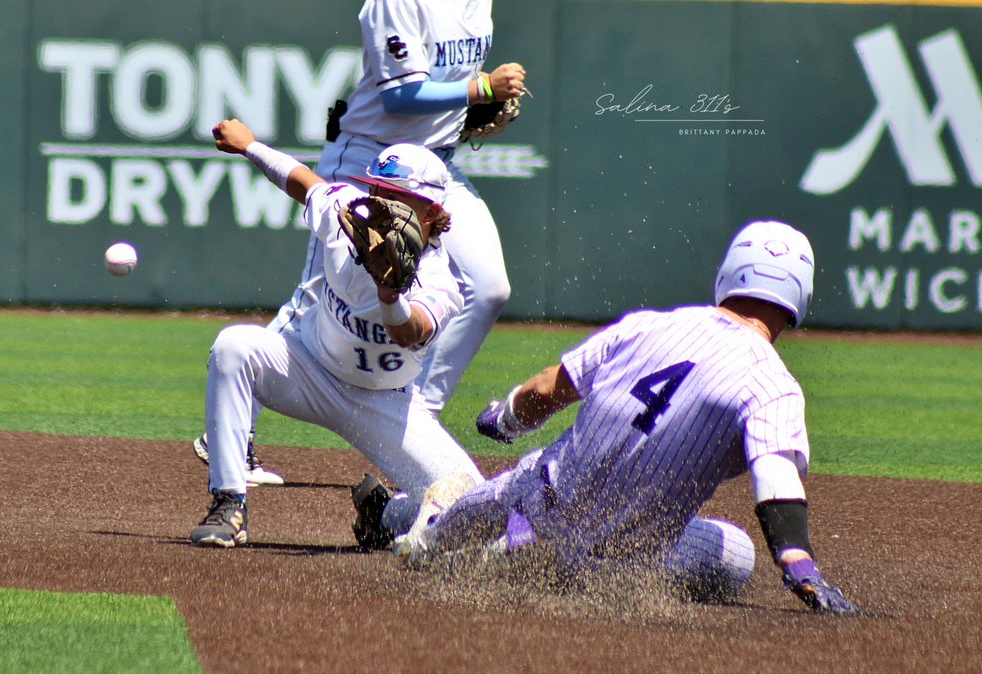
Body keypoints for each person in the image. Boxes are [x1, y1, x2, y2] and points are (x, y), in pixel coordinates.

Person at [395, 220, 862, 615]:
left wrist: (505, 420)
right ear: (800, 295)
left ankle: (432, 532)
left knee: (489, 503)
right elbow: (777, 480)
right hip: (614, 565)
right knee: (734, 553)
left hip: (538, 502)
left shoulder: (647, 326)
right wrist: (800, 567)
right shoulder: (773, 385)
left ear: (729, 274)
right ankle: (493, 546)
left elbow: (542, 391)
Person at [193, 0, 528, 481]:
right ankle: (233, 434)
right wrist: (480, 89)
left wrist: (466, 108)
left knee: (489, 287)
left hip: (436, 169)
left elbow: (443, 87)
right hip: (373, 162)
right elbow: (401, 97)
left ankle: (418, 419)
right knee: (316, 296)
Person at [189, 118, 484, 549]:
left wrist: (390, 294)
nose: (386, 207)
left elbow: (410, 331)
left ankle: (383, 514)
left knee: (470, 506)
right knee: (235, 346)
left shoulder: (442, 278)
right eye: (380, 193)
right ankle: (228, 503)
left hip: (384, 404)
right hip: (308, 368)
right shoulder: (346, 212)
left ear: (434, 213)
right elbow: (302, 181)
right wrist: (250, 145)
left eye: (402, 198)